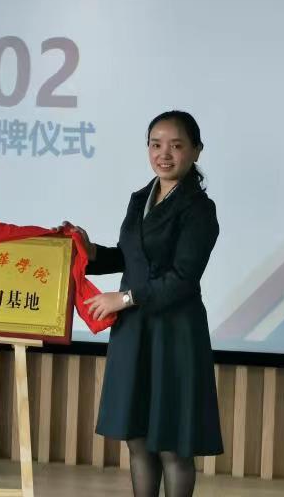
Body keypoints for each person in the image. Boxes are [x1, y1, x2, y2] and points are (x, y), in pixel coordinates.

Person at [65, 110, 222, 497]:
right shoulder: (140, 198)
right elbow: (130, 257)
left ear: (196, 150)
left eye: (176, 145)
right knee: (137, 440)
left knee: (172, 446)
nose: (164, 154)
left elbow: (183, 279)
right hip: (134, 330)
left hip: (175, 333)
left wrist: (124, 299)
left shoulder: (199, 209)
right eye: (156, 145)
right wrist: (90, 251)